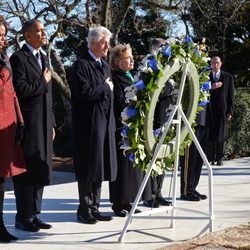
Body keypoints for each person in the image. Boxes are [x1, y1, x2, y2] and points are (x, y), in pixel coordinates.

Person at [10, 19, 55, 232]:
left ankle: (35, 214)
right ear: (27, 35)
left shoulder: (44, 58)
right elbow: (19, 90)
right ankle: (23, 217)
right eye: (39, 31)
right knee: (27, 171)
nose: (44, 33)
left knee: (40, 168)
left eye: (44, 30)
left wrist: (53, 123)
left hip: (45, 124)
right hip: (29, 125)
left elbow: (49, 97)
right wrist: (42, 82)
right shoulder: (18, 58)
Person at [71, 26, 117, 224]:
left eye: (108, 41)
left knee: (100, 166)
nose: (107, 46)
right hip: (89, 124)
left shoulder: (104, 65)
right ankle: (84, 208)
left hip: (105, 122)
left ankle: (95, 207)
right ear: (92, 43)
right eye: (104, 42)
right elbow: (84, 92)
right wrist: (104, 87)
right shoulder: (81, 65)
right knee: (88, 166)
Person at [0, 15, 26, 243]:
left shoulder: (4, 57)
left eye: (3, 35)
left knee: (1, 179)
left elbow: (13, 92)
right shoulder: (3, 62)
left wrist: (20, 120)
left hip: (7, 125)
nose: (1, 39)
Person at [109, 44, 143, 216]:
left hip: (133, 126)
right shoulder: (115, 78)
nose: (132, 60)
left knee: (131, 167)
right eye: (127, 57)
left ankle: (128, 201)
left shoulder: (132, 76)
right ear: (117, 60)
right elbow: (118, 103)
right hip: (121, 126)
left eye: (131, 57)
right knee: (122, 168)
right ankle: (118, 203)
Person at [143, 38, 173, 208]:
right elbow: (155, 89)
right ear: (153, 48)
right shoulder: (149, 63)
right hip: (153, 117)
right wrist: (170, 85)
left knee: (163, 155)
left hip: (165, 116)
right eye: (162, 47)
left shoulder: (166, 64)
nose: (165, 50)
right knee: (152, 155)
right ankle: (149, 195)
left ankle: (158, 191)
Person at [207, 56, 234, 166]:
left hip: (222, 110)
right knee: (210, 134)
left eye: (217, 63)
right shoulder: (206, 76)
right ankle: (210, 158)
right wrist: (211, 87)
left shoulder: (228, 77)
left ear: (221, 64)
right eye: (213, 63)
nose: (215, 65)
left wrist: (230, 111)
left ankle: (219, 158)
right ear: (211, 64)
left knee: (221, 134)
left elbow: (231, 96)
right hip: (209, 109)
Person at [180, 103, 208, 201]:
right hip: (193, 119)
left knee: (198, 158)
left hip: (205, 118)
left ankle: (193, 187)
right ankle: (186, 190)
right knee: (190, 157)